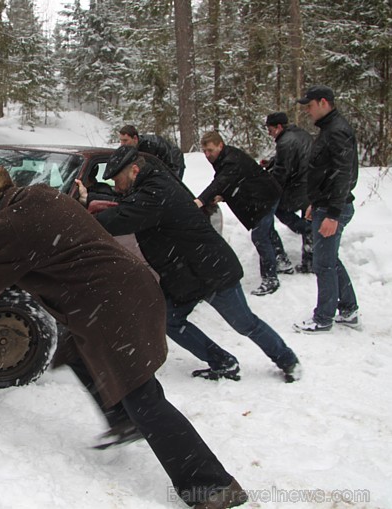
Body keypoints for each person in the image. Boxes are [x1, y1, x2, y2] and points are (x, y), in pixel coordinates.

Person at [0, 166, 248, 509]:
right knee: (75, 351)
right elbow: (41, 243)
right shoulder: (40, 196)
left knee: (144, 398)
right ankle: (121, 419)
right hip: (125, 290)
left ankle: (212, 486)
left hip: (113, 309)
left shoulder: (9, 226)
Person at [77, 145, 301, 385]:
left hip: (212, 270)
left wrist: (79, 221)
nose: (115, 186)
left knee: (245, 323)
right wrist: (89, 198)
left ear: (133, 170)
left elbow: (124, 216)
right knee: (171, 320)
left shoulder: (156, 192)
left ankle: (288, 360)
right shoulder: (150, 185)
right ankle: (223, 362)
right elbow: (126, 203)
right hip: (187, 275)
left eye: (117, 180)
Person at [292, 85, 360, 333]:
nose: (308, 111)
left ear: (323, 102)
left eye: (309, 106)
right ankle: (349, 308)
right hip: (325, 205)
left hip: (335, 208)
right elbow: (325, 172)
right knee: (329, 260)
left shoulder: (337, 131)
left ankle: (323, 318)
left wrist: (332, 213)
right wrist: (315, 202)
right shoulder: (329, 129)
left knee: (323, 264)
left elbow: (343, 174)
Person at [197, 131, 282, 296]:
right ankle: (282, 260)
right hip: (262, 195)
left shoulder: (231, 160)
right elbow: (232, 180)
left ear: (220, 145)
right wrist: (223, 194)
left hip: (265, 197)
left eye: (210, 150)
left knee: (260, 236)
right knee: (267, 231)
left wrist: (200, 201)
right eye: (205, 151)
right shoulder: (223, 157)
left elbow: (221, 181)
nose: (207, 155)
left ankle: (271, 278)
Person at [263, 112, 314, 274]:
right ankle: (310, 260)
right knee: (307, 215)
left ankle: (306, 229)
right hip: (311, 184)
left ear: (278, 127)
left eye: (270, 129)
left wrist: (270, 187)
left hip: (298, 186)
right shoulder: (301, 134)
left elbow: (282, 171)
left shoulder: (285, 141)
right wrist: (271, 163)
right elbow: (291, 158)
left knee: (281, 210)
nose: (269, 133)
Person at [119, 124, 186, 180]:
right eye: (121, 140)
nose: (122, 144)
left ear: (135, 138)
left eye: (125, 140)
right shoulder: (131, 147)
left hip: (174, 161)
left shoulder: (148, 146)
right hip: (162, 163)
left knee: (171, 187)